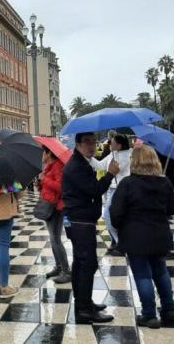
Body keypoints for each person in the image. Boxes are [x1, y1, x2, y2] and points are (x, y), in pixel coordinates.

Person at [110, 145, 174, 328]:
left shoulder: (127, 184)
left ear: (135, 161)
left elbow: (115, 213)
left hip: (135, 237)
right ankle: (169, 310)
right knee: (161, 272)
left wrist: (119, 227)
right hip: (159, 235)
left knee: (142, 275)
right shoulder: (164, 182)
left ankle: (149, 315)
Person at [62, 132, 120, 323]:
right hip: (80, 221)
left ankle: (84, 303)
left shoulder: (82, 162)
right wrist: (110, 174)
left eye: (93, 142)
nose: (92, 146)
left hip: (82, 219)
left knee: (82, 263)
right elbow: (94, 189)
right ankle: (84, 310)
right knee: (87, 264)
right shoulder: (77, 166)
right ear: (77, 144)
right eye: (87, 142)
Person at [89, 135, 132, 256]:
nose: (109, 145)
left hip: (120, 189)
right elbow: (99, 165)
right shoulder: (112, 154)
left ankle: (121, 243)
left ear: (119, 145)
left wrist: (112, 165)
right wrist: (89, 156)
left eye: (112, 143)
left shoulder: (127, 155)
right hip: (111, 189)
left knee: (107, 215)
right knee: (112, 217)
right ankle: (118, 242)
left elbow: (117, 169)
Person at [39, 147, 70, 284]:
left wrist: (44, 179)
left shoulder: (58, 166)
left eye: (43, 153)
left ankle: (66, 271)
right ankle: (58, 267)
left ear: (49, 153)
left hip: (56, 207)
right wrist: (40, 183)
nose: (42, 156)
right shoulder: (50, 166)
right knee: (53, 239)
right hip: (49, 205)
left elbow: (60, 187)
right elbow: (48, 186)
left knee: (55, 239)